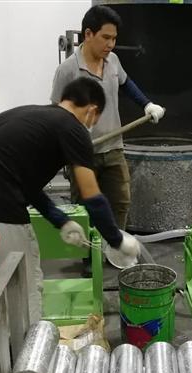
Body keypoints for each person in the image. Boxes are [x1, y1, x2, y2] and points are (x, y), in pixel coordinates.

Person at [0, 77, 140, 323]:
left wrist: (61, 221)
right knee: (26, 289)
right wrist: (117, 240)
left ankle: (3, 346)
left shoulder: (32, 116)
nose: (92, 125)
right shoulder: (73, 128)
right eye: (95, 120)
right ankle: (29, 347)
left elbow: (27, 187)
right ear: (92, 110)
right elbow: (92, 196)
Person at [51, 5, 165, 231]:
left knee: (120, 203)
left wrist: (147, 104)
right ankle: (88, 251)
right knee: (85, 209)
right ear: (88, 34)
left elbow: (126, 83)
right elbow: (56, 113)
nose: (111, 44)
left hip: (114, 149)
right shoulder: (67, 70)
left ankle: (114, 247)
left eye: (114, 38)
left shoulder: (113, 60)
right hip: (83, 153)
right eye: (106, 38)